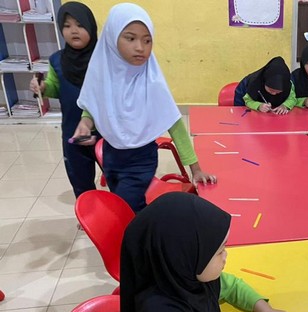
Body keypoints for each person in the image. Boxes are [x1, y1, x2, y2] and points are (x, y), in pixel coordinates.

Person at [119, 192, 302, 312]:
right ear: (185, 257)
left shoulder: (184, 279)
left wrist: (265, 310)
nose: (225, 256)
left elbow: (231, 286)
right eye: (219, 251)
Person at [73, 3, 216, 213]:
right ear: (112, 39)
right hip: (111, 156)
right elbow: (92, 106)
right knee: (121, 202)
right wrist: (85, 123)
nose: (140, 47)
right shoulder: (101, 74)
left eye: (147, 40)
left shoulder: (151, 80)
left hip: (141, 158)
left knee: (128, 206)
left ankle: (144, 233)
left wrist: (196, 169)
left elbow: (174, 124)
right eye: (130, 38)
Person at [29, 2, 98, 199]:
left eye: (80, 25)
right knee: (80, 176)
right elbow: (55, 87)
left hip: (104, 131)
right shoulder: (57, 60)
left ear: (91, 27)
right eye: (67, 26)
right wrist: (43, 87)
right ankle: (88, 207)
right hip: (73, 129)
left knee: (114, 174)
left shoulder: (103, 59)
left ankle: (117, 208)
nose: (73, 31)